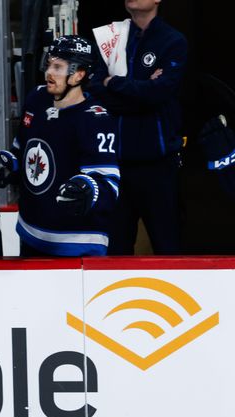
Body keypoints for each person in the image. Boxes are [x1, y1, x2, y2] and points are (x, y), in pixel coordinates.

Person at [0, 36, 121, 257]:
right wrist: (2, 167)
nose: (49, 73)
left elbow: (108, 182)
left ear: (78, 74)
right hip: (31, 232)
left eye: (58, 67)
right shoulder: (37, 99)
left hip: (77, 242)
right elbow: (21, 153)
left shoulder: (95, 118)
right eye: (48, 64)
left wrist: (87, 190)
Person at [88, 0, 187, 255]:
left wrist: (115, 84)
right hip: (115, 163)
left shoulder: (173, 41)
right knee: (115, 249)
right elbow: (95, 89)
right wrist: (137, 90)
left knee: (167, 246)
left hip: (157, 163)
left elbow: (158, 93)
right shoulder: (111, 37)